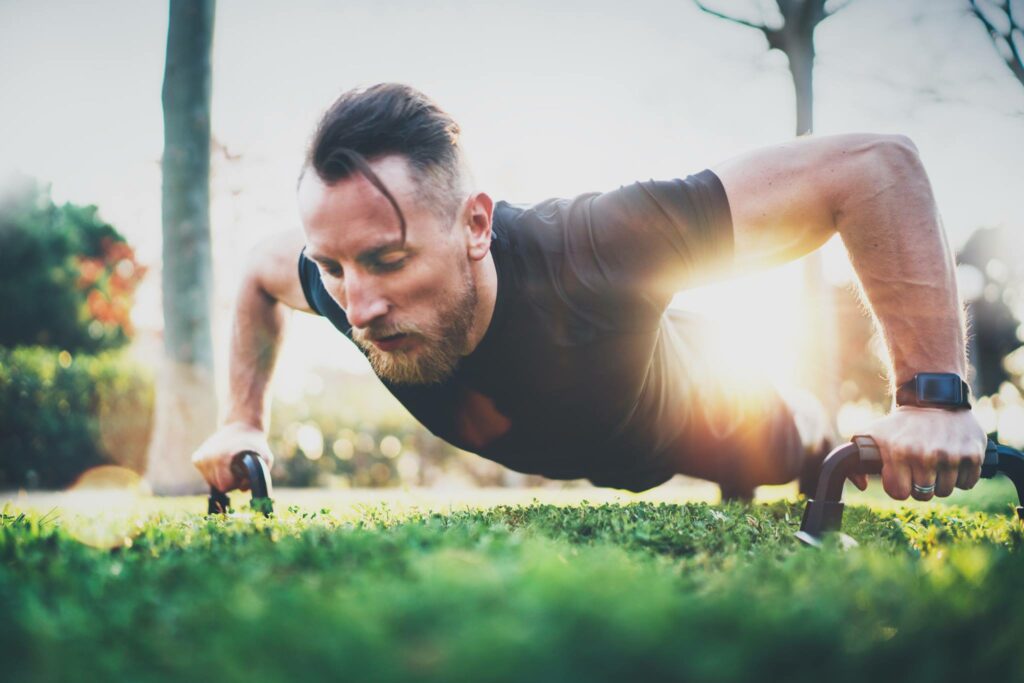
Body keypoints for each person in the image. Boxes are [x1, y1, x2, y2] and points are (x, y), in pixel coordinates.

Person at [192, 83, 988, 502]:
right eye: (333, 267)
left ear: (475, 225)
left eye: (388, 260)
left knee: (789, 444)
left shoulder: (595, 248)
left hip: (703, 410)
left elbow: (876, 167)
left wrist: (932, 397)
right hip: (595, 434)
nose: (356, 306)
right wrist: (241, 422)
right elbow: (262, 274)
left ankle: (807, 416)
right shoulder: (339, 282)